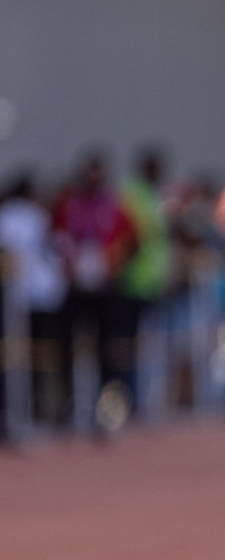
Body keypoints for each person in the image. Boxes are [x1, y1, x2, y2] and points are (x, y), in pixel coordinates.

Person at [52, 151, 139, 435]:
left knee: (109, 347)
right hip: (75, 286)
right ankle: (68, 403)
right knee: (66, 346)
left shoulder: (114, 205)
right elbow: (54, 238)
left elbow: (133, 240)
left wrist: (116, 262)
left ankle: (108, 403)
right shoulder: (68, 204)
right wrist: (67, 266)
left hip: (105, 286)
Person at [0, 172, 68, 434]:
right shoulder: (29, 215)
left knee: (31, 357)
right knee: (33, 356)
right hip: (34, 294)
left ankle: (25, 410)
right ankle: (32, 410)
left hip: (22, 294)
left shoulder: (12, 215)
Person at [119, 148, 173, 414]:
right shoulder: (132, 194)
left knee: (150, 344)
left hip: (153, 282)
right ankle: (129, 396)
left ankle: (145, 397)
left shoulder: (157, 196)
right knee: (128, 342)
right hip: (132, 281)